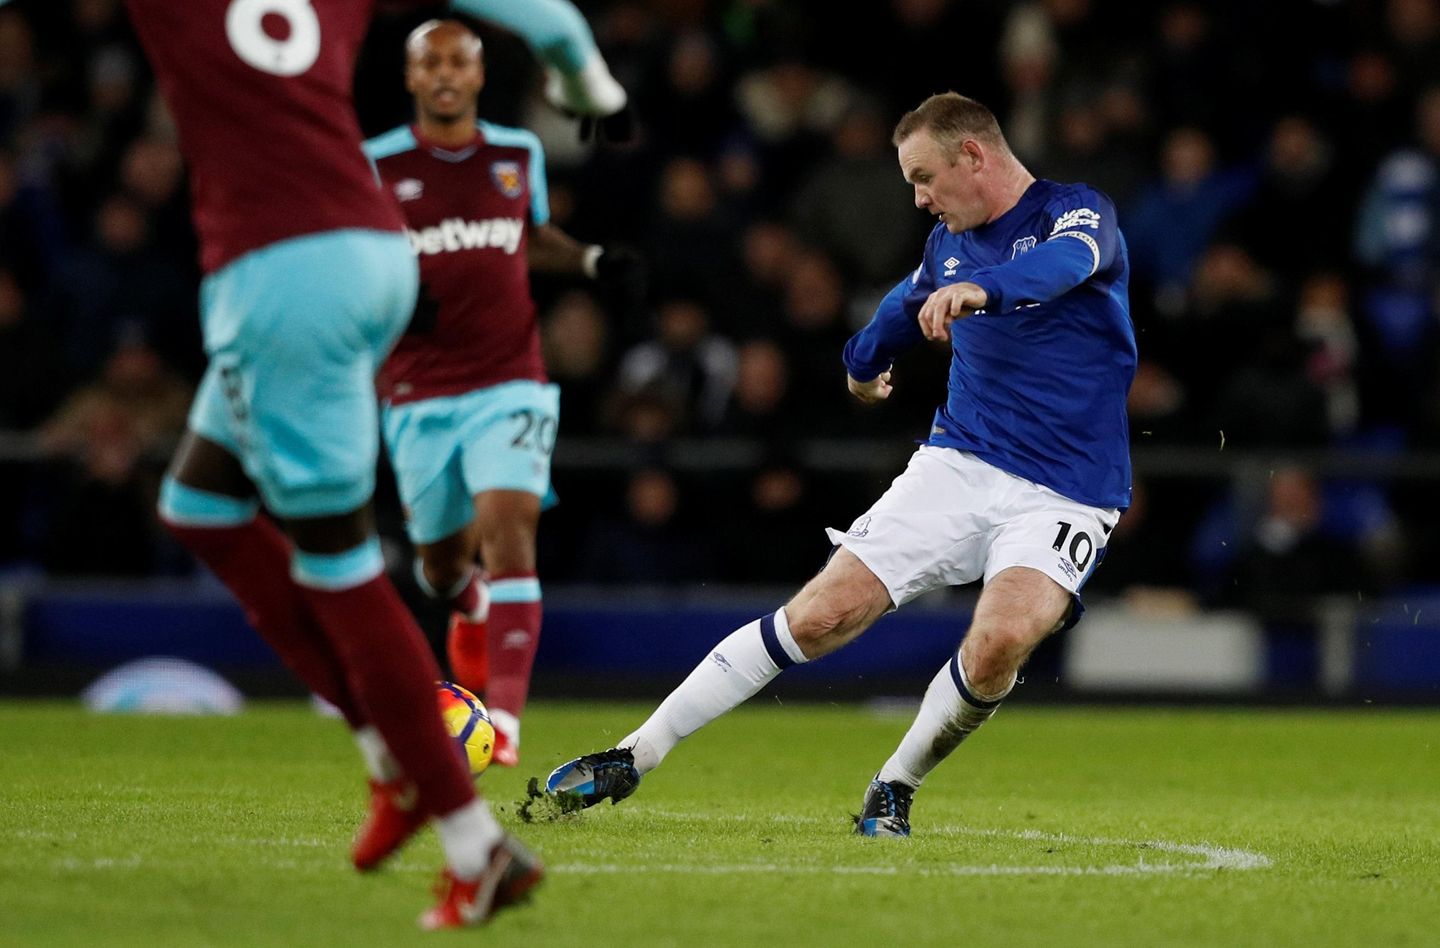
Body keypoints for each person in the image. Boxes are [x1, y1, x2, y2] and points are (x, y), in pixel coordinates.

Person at [120, 0, 627, 929]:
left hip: (285, 274)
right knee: (198, 501)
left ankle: (470, 840)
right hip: (369, 256)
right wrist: (588, 82)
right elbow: (550, 17)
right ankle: (399, 761)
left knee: (341, 566)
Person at [545, 93, 1137, 838]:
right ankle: (634, 753)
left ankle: (895, 784)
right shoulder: (947, 249)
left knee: (999, 644)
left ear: (973, 156)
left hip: (1068, 492)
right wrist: (862, 365)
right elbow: (901, 305)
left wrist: (983, 290)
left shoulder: (1076, 214)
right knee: (821, 615)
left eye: (924, 177)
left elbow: (1066, 264)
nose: (919, 199)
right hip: (961, 463)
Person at [363, 19, 639, 769]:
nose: (447, 74)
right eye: (432, 63)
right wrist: (393, 299)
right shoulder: (377, 167)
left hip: (510, 378)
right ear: (412, 77)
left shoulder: (516, 154)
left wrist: (584, 260)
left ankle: (507, 725)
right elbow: (355, 265)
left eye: (460, 61)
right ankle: (473, 601)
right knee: (443, 566)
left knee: (511, 528)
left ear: (480, 76)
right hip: (418, 390)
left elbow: (530, 234)